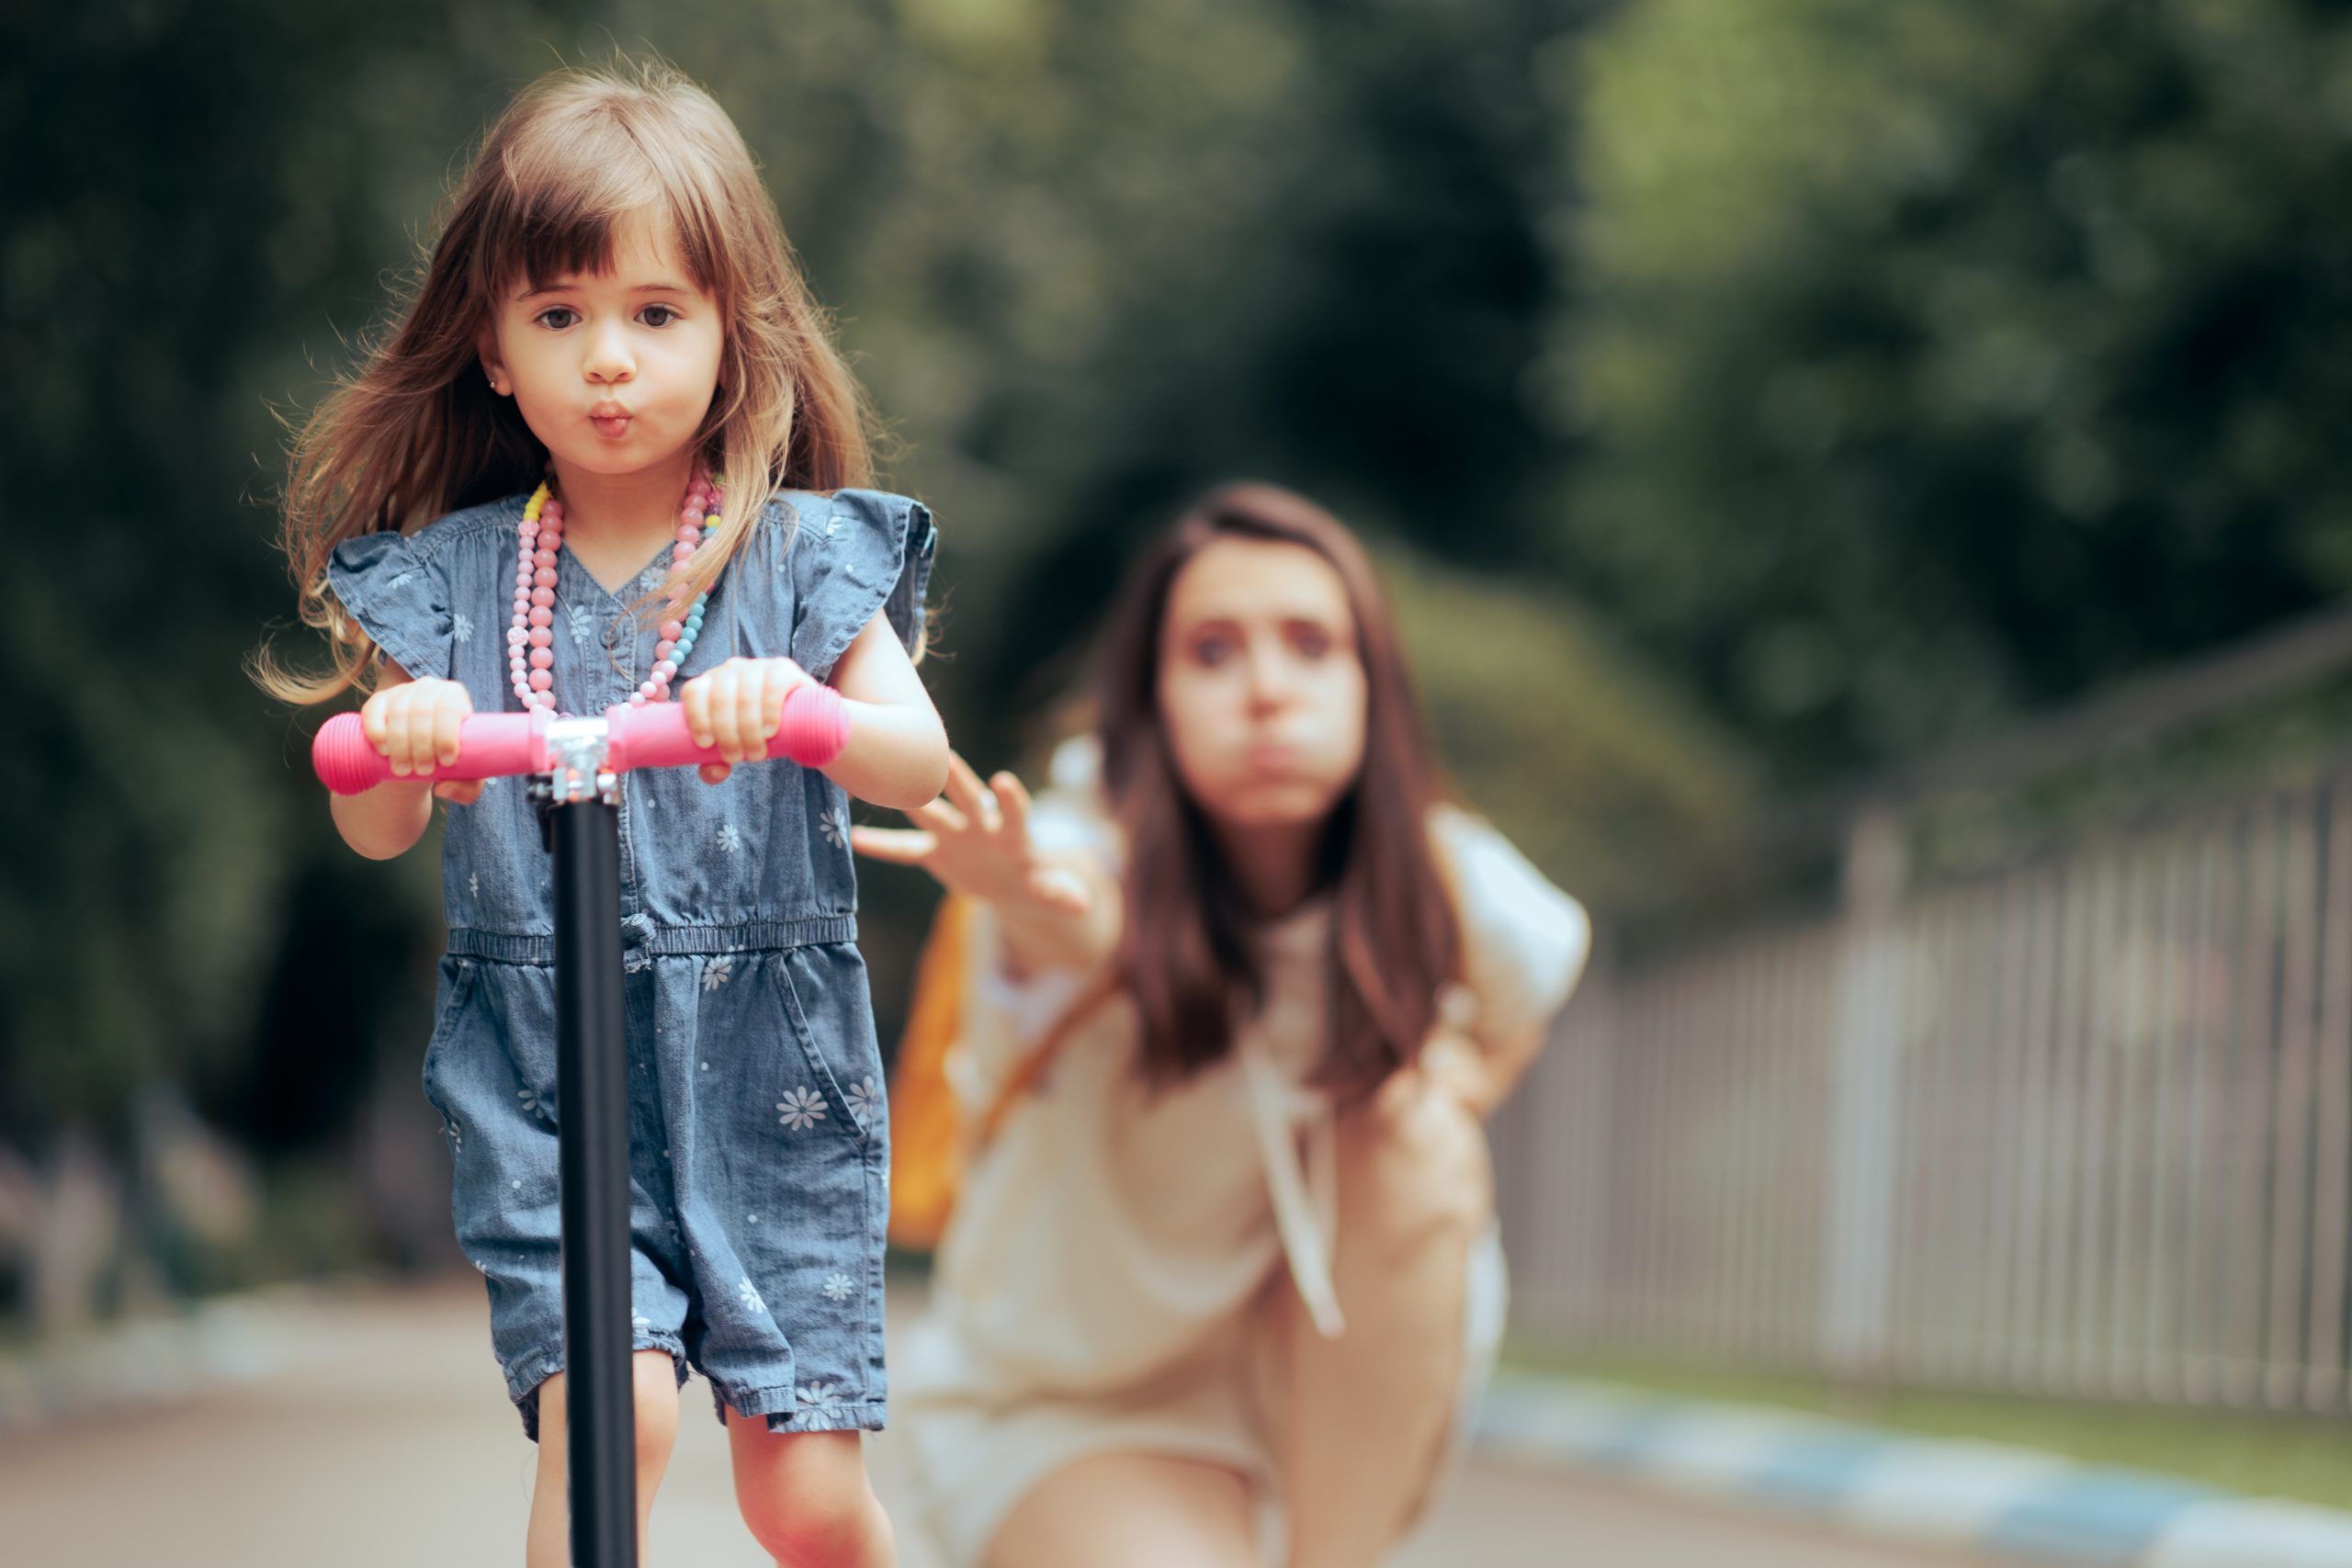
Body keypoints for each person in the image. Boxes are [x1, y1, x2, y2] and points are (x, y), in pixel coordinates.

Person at [254, 60, 948, 1568]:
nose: (609, 361)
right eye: (559, 317)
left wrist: (813, 713)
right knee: (611, 1423)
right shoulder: (450, 583)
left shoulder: (799, 558)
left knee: (806, 1503)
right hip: (549, 1069)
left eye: (654, 313)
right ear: (494, 351)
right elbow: (371, 824)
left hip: (770, 1058)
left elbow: (921, 760)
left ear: (728, 331)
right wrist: (403, 746)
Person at [854, 482, 1589, 1568]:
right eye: (1211, 652)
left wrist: (1446, 1092)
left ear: (1369, 685)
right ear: (1149, 700)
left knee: (1418, 1130)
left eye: (1309, 645)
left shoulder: (1444, 882)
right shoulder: (1083, 849)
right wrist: (1018, 892)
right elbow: (1078, 921)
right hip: (1075, 1410)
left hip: (1316, 1392)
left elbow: (1537, 984)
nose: (1266, 691)